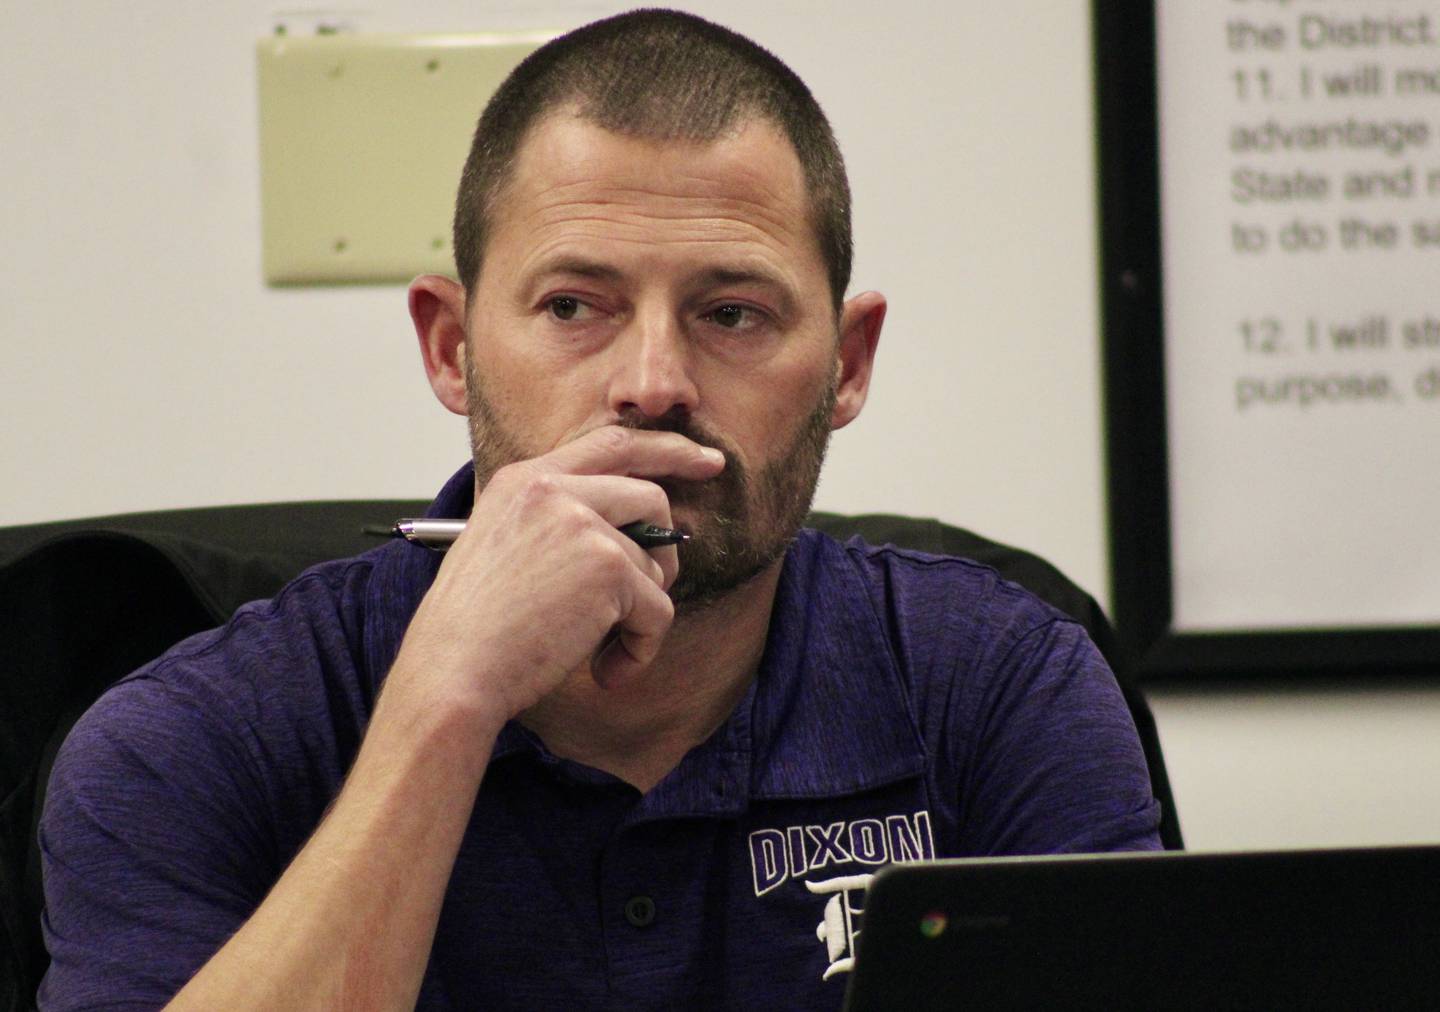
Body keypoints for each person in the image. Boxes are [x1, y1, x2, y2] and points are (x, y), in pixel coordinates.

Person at [37, 9, 1160, 1009]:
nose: (654, 379)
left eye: (733, 312)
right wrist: (447, 701)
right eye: (575, 304)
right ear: (454, 348)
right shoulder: (183, 746)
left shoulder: (1006, 691)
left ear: (848, 365)